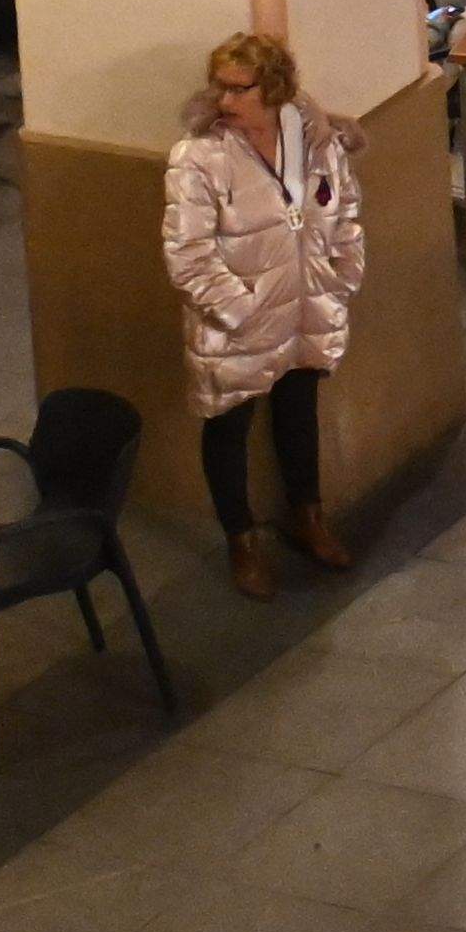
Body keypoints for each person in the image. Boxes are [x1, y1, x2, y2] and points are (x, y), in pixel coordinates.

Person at [161, 31, 362, 597]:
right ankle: (241, 542)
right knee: (228, 426)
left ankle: (309, 517)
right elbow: (187, 253)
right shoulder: (198, 158)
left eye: (239, 90)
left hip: (305, 306)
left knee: (298, 409)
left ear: (273, 89)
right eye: (219, 87)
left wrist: (340, 278)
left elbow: (344, 210)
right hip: (238, 323)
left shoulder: (317, 142)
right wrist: (238, 308)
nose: (224, 102)